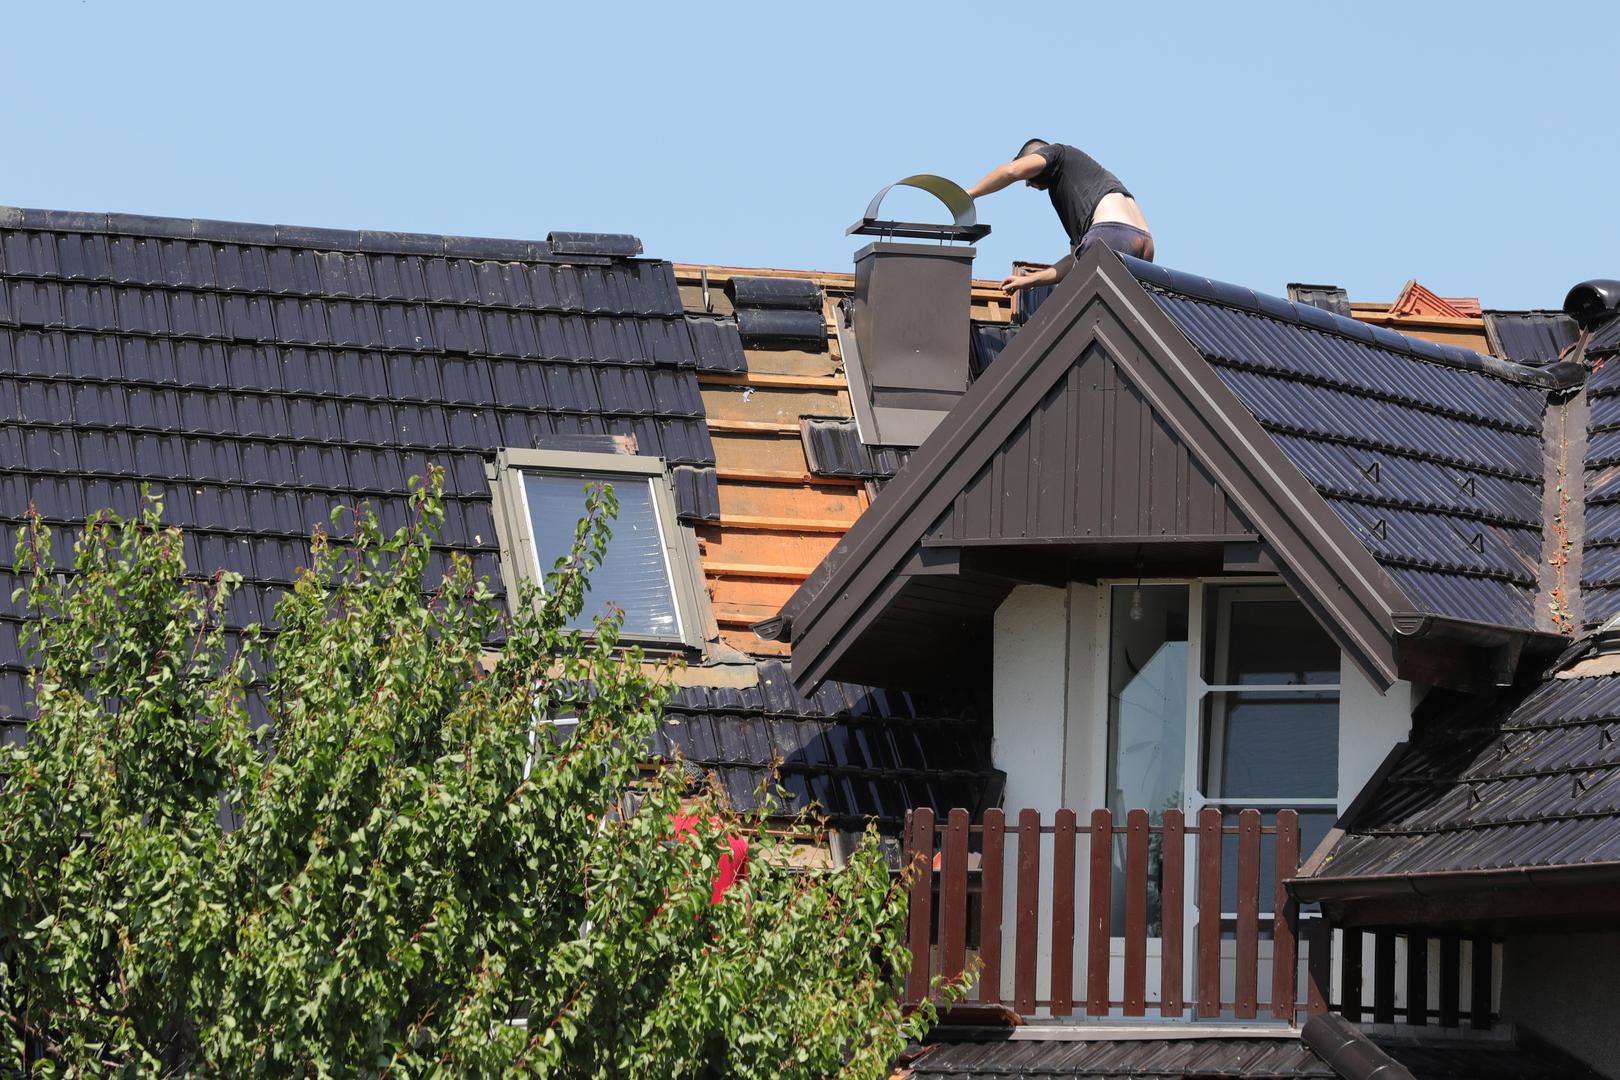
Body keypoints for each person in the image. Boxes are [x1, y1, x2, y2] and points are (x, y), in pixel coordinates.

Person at [966, 139, 1153, 297]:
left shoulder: (1059, 152)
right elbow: (1074, 259)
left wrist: (972, 193)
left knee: (1081, 310)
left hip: (1112, 234)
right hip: (1144, 243)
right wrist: (1028, 280)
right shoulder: (1081, 185)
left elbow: (1011, 171)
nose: (1027, 184)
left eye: (1029, 177)